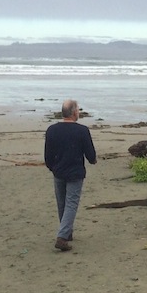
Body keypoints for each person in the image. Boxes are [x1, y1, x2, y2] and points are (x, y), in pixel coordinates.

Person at [43, 99, 97, 252]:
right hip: (74, 172)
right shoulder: (81, 131)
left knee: (62, 203)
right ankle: (62, 236)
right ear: (74, 113)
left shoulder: (52, 130)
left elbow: (48, 155)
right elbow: (90, 153)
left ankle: (67, 232)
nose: (79, 112)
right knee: (70, 204)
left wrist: (52, 167)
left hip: (59, 170)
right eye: (78, 110)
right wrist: (93, 160)